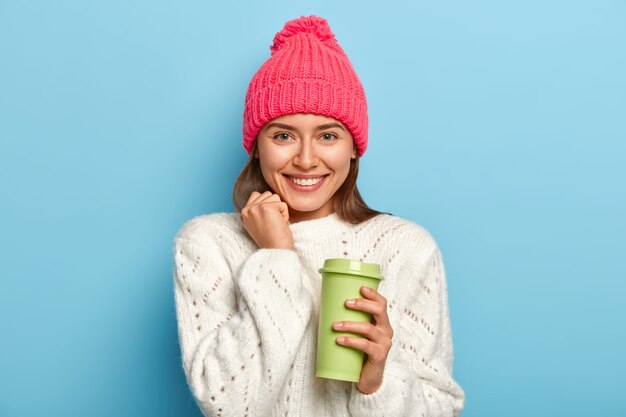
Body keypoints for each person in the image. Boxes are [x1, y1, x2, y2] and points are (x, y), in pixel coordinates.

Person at [173, 15, 465, 417]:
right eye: (283, 135)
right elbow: (228, 406)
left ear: (354, 148)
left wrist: (377, 380)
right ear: (257, 146)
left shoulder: (405, 247)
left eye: (328, 136)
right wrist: (276, 256)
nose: (306, 160)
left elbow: (441, 408)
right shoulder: (209, 244)